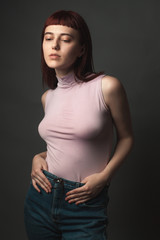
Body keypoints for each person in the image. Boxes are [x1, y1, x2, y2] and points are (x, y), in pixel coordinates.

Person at [24, 10, 134, 240]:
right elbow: (66, 145)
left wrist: (104, 177)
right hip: (41, 198)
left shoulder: (106, 87)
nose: (54, 45)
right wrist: (38, 157)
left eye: (65, 39)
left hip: (84, 202)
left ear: (81, 49)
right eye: (48, 38)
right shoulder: (48, 97)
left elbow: (126, 138)